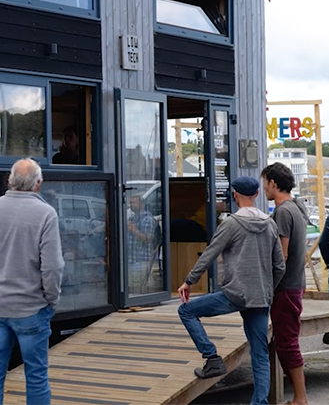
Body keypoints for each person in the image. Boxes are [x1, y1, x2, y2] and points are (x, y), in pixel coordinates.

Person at [177, 176, 284, 405]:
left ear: (234, 194)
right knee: (259, 354)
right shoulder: (270, 223)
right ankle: (259, 403)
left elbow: (210, 254)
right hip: (260, 297)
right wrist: (268, 290)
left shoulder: (231, 224)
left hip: (234, 293)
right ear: (256, 195)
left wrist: (189, 281)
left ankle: (212, 358)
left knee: (187, 311)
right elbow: (279, 266)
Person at [0, 158, 64, 405]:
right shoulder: (45, 214)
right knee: (36, 375)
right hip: (31, 308)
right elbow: (52, 267)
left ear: (10, 181)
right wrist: (51, 300)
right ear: (38, 184)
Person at [261, 163, 309, 405]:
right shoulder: (297, 207)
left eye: (265, 182)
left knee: (287, 342)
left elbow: (282, 254)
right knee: (285, 340)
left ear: (273, 183)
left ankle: (300, 398)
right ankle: (297, 395)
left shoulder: (282, 211)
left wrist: (268, 285)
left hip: (285, 287)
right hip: (295, 283)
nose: (264, 188)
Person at [126, 194, 161, 293]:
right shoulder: (132, 218)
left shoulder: (147, 219)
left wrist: (134, 230)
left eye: (134, 203)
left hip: (141, 259)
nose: (131, 205)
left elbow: (147, 239)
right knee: (133, 286)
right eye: (130, 203)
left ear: (141, 204)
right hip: (132, 258)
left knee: (140, 286)